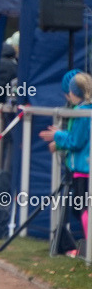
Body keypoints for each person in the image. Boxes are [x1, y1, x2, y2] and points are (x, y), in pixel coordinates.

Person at [39, 71, 92, 256]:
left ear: (74, 93)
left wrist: (57, 136)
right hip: (85, 168)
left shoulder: (81, 113)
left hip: (83, 170)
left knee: (82, 209)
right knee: (82, 209)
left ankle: (90, 248)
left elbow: (76, 142)